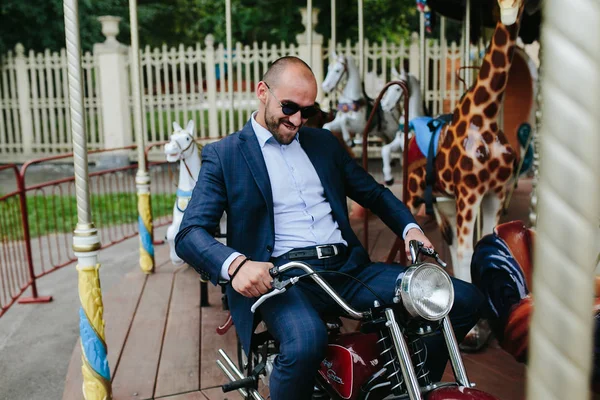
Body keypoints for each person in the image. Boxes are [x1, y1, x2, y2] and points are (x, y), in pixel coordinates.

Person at [175, 56, 483, 400]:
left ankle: (405, 388)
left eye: (307, 111)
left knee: (463, 300)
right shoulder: (225, 154)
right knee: (307, 340)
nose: (297, 120)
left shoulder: (323, 142)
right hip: (281, 278)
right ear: (262, 92)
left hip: (347, 269)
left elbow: (374, 194)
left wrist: (410, 228)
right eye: (289, 107)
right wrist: (236, 265)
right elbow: (189, 234)